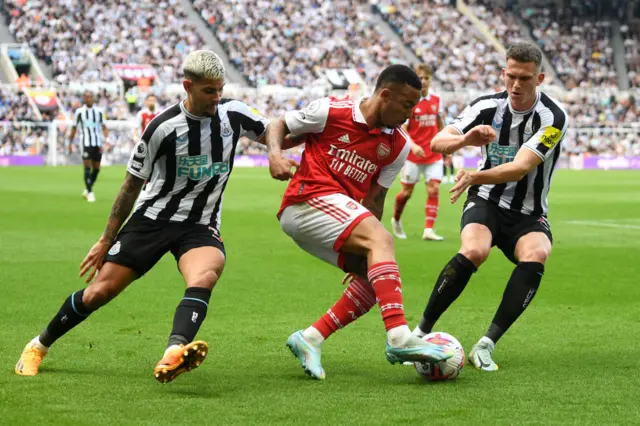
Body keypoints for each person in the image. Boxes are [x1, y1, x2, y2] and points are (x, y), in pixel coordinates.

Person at [15, 50, 271, 384]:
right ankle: (38, 346)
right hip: (152, 220)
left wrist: (280, 153)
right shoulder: (162, 128)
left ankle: (174, 352)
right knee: (98, 293)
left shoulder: (234, 114)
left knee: (206, 274)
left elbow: (276, 134)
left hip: (199, 223)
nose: (217, 97)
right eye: (209, 91)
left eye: (220, 89)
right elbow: (130, 186)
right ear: (188, 86)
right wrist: (107, 238)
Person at [266, 65, 453, 381]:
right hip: (305, 199)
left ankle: (310, 338)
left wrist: (367, 246)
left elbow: (375, 200)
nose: (410, 114)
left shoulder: (398, 145)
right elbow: (279, 123)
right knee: (381, 244)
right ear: (385, 95)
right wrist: (274, 155)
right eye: (407, 105)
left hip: (333, 214)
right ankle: (398, 337)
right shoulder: (331, 110)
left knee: (373, 279)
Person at [412, 42, 568, 371]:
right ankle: (419, 332)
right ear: (503, 73)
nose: (515, 85)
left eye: (524, 78)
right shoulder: (486, 106)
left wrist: (475, 174)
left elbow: (521, 167)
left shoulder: (553, 117)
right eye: (510, 76)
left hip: (528, 212)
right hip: (486, 200)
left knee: (537, 253)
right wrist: (465, 141)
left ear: (539, 79)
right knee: (475, 250)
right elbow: (437, 142)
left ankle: (486, 344)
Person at [391, 64, 446, 241]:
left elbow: (440, 123)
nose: (423, 81)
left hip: (433, 154)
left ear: (430, 80)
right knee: (406, 193)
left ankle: (428, 230)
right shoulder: (409, 101)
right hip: (413, 155)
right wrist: (413, 146)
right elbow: (403, 128)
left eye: (426, 78)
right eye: (420, 78)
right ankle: (396, 219)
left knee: (434, 189)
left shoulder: (437, 100)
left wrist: (446, 143)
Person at [69, 90, 108, 203]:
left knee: (96, 168)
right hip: (85, 143)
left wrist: (107, 139)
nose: (89, 99)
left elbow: (104, 126)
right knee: (87, 167)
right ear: (84, 99)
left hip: (97, 142)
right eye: (87, 97)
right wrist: (70, 144)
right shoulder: (79, 112)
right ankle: (90, 192)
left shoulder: (99, 112)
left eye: (91, 97)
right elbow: (74, 128)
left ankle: (87, 189)